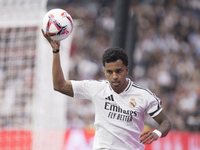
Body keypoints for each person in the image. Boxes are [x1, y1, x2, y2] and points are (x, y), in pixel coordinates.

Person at [42, 29, 171, 150]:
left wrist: (157, 133)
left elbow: (165, 122)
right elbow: (59, 85)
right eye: (109, 72)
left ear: (127, 69)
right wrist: (56, 51)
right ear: (104, 71)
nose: (114, 76)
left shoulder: (143, 95)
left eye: (118, 71)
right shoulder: (96, 88)